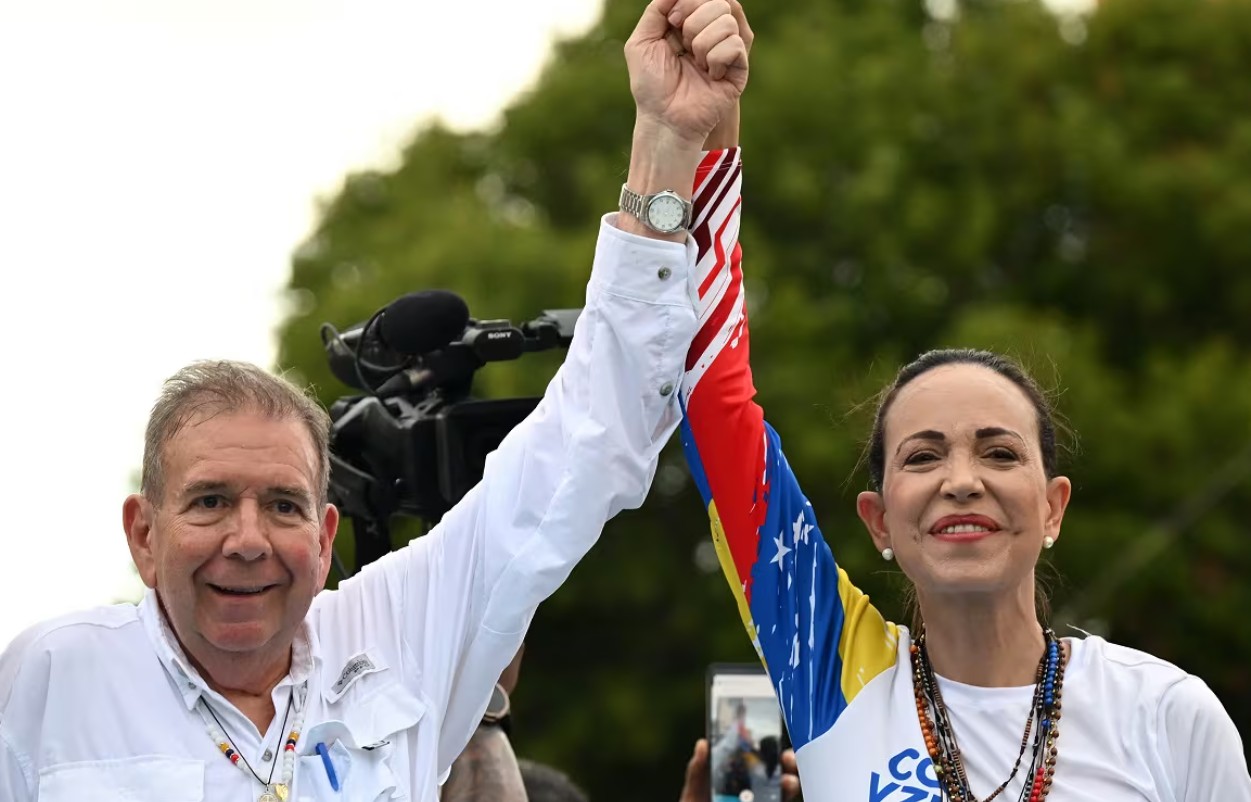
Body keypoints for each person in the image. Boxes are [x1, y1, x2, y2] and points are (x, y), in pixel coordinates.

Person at [0, 3, 748, 800]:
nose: (248, 540)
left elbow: (591, 441)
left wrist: (664, 141)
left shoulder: (393, 633)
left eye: (284, 506)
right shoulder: (50, 678)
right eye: (211, 501)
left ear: (326, 539)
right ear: (143, 534)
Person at [675, 4, 1251, 798]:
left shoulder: (1167, 715)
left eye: (999, 451)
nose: (960, 479)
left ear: (1053, 507)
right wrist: (695, 132)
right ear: (879, 520)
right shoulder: (829, 667)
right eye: (922, 455)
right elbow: (713, 402)